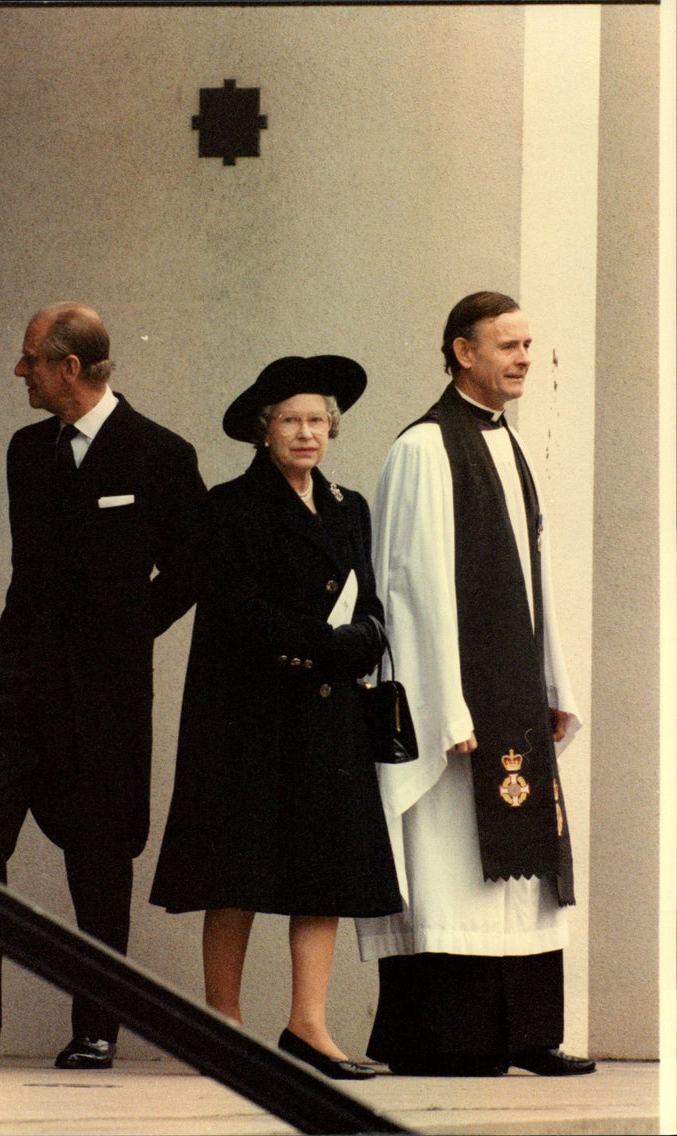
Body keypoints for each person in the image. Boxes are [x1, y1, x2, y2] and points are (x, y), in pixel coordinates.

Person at [0, 302, 207, 1069]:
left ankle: (97, 1024)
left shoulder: (160, 454)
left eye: (30, 360)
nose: (20, 373)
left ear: (68, 369)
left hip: (101, 699)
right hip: (14, 687)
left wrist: (126, 631)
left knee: (100, 857)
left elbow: (193, 566)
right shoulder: (25, 450)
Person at [356, 292, 596, 1077]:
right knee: (456, 866)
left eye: (529, 344)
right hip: (456, 710)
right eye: (508, 345)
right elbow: (411, 584)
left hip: (514, 700)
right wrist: (444, 704)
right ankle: (445, 1039)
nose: (524, 358)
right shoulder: (426, 447)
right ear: (463, 351)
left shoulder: (508, 446)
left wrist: (553, 681)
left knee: (518, 875)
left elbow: (535, 577)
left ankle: (526, 1035)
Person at [150, 355, 403, 1080]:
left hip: (329, 716)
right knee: (237, 869)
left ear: (332, 429)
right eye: (290, 420)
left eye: (318, 420)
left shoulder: (350, 506)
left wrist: (368, 636)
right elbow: (238, 612)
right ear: (264, 431)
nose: (306, 433)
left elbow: (372, 596)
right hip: (250, 713)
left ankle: (309, 1026)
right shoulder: (230, 506)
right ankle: (221, 1026)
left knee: (323, 868)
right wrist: (326, 646)